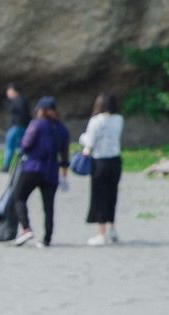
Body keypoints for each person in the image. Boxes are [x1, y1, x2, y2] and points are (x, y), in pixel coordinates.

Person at [11, 96, 70, 247]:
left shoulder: (37, 124)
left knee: (19, 197)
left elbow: (26, 144)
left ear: (41, 110)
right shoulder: (62, 129)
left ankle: (26, 228)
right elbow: (64, 155)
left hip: (33, 167)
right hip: (51, 171)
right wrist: (64, 175)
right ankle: (47, 239)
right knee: (48, 207)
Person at [80, 92, 124, 246]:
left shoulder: (95, 121)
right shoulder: (119, 119)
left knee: (99, 197)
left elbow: (90, 142)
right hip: (115, 161)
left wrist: (82, 137)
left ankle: (101, 233)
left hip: (100, 161)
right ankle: (112, 229)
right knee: (112, 195)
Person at [1, 84, 31, 173]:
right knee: (22, 147)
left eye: (9, 91)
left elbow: (24, 115)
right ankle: (24, 165)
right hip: (20, 127)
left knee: (10, 146)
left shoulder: (19, 100)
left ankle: (6, 166)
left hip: (17, 127)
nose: (8, 93)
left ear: (15, 91)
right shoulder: (20, 100)